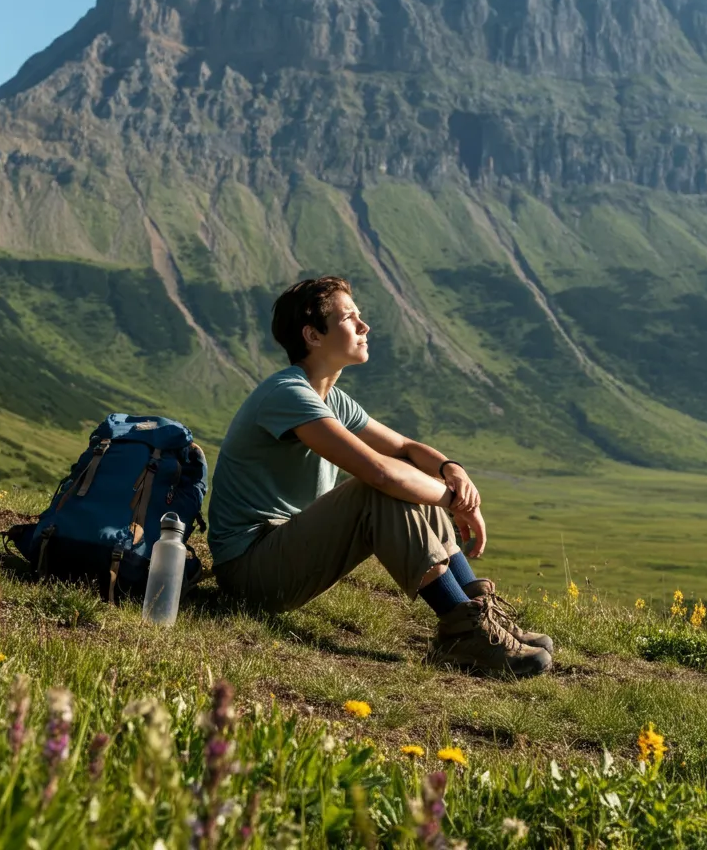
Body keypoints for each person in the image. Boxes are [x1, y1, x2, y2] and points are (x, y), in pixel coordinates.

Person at [207, 276, 553, 677]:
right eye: (350, 318)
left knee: (404, 475)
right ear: (312, 335)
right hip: (250, 572)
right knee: (378, 487)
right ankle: (462, 632)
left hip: (282, 553)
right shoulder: (287, 394)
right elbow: (380, 472)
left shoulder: (329, 398)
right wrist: (451, 499)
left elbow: (404, 448)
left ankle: (477, 616)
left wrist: (450, 470)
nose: (364, 326)